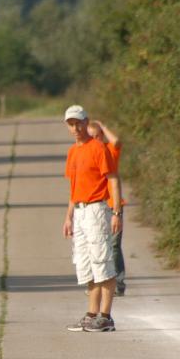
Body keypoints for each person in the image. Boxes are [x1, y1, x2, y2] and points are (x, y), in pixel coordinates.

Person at [61, 105, 123, 333]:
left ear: (86, 123)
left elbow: (113, 179)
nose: (75, 128)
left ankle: (105, 317)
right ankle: (91, 314)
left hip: (97, 209)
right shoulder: (72, 152)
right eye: (71, 124)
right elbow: (74, 187)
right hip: (79, 211)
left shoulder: (98, 148)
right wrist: (68, 217)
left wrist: (116, 212)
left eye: (78, 123)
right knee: (85, 263)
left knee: (102, 261)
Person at [87, 120, 126, 296]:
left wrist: (102, 126)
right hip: (96, 206)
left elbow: (116, 141)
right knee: (97, 245)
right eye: (91, 137)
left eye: (98, 136)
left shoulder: (109, 151)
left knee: (114, 246)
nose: (95, 140)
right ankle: (98, 283)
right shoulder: (88, 154)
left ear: (102, 136)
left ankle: (118, 283)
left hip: (113, 205)